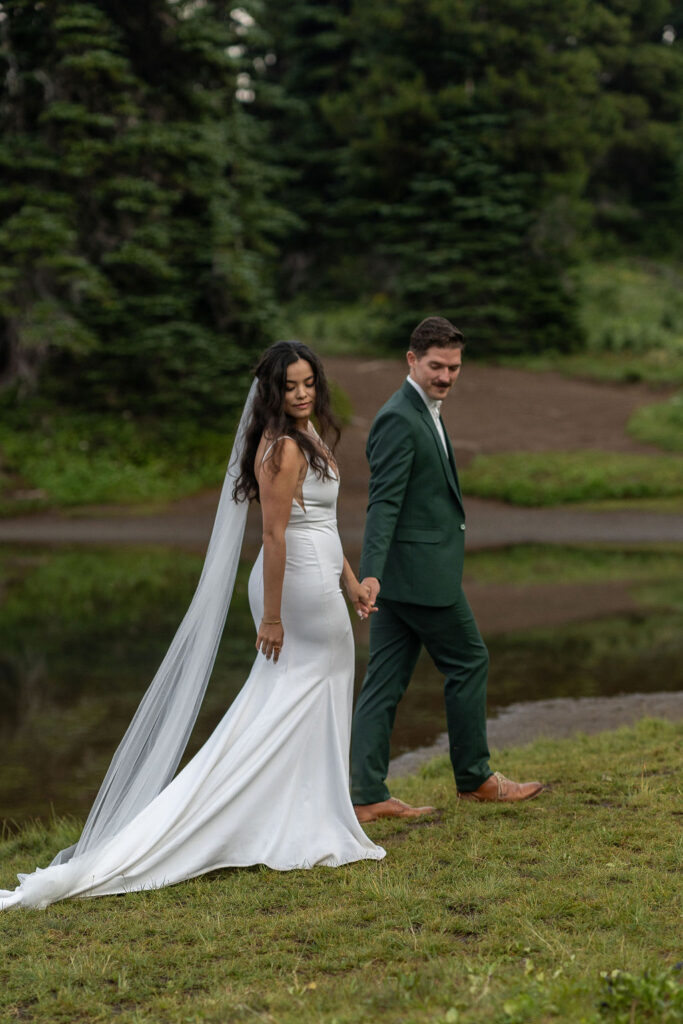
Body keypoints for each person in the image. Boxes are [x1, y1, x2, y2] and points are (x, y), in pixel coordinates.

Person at [0, 342, 385, 910]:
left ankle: (304, 811)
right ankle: (270, 817)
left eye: (309, 383)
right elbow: (276, 536)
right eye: (291, 386)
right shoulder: (280, 449)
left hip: (318, 575)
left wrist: (350, 582)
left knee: (303, 696)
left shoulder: (312, 437)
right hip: (294, 585)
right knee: (298, 694)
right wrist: (273, 616)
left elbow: (323, 522)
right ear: (272, 394)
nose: (303, 393)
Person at [351, 316, 543, 821]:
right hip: (416, 576)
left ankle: (366, 794)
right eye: (436, 366)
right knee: (469, 660)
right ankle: (475, 778)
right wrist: (371, 573)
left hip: (406, 574)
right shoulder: (399, 416)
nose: (446, 376)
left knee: (385, 681)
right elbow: (383, 504)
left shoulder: (425, 408)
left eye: (454, 367)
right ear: (411, 360)